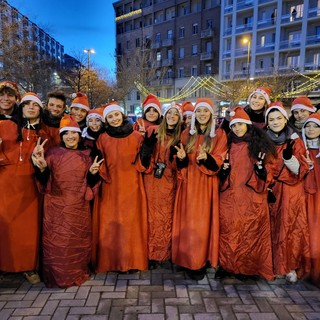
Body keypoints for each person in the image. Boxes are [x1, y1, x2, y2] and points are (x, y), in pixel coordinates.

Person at [31, 114, 102, 288]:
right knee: (57, 242)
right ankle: (57, 275)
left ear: (79, 134)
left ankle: (77, 271)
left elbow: (91, 184)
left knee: (77, 241)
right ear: (62, 136)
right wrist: (41, 168)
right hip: (56, 207)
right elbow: (44, 181)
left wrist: (93, 174)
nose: (71, 137)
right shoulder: (53, 153)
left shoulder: (87, 154)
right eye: (67, 133)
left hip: (79, 207)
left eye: (74, 133)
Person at [216, 107, 276, 281]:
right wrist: (223, 174)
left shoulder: (260, 145)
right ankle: (228, 265)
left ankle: (248, 268)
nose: (237, 129)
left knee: (250, 233)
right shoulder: (226, 143)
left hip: (252, 196)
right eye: (234, 125)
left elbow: (271, 169)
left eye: (240, 124)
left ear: (248, 125)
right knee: (228, 231)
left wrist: (262, 172)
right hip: (230, 195)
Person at [172, 98, 227, 280]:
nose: (202, 114)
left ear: (211, 113)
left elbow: (219, 160)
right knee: (187, 223)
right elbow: (181, 161)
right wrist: (181, 158)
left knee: (202, 225)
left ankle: (199, 261)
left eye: (205, 111)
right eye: (198, 111)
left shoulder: (219, 134)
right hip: (188, 184)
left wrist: (206, 159)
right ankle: (185, 258)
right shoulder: (187, 133)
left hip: (205, 184)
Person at [92, 102, 148, 273]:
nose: (114, 119)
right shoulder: (102, 138)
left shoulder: (137, 136)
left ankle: (131, 261)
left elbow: (143, 164)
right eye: (110, 117)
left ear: (122, 115)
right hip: (111, 187)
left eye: (116, 115)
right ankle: (114, 261)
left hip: (132, 186)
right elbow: (100, 163)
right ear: (106, 120)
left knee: (131, 224)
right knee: (112, 225)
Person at [0, 92, 47, 284]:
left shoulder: (42, 134)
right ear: (21, 107)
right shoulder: (4, 126)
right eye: (27, 104)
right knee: (5, 228)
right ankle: (4, 267)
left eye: (35, 105)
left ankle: (28, 267)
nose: (30, 108)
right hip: (5, 184)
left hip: (29, 186)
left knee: (28, 228)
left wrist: (41, 165)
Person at [265, 101, 310, 283]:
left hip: (291, 190)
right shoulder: (263, 140)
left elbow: (301, 168)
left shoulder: (295, 139)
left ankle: (290, 265)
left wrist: (290, 160)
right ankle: (274, 264)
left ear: (285, 119)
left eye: (279, 118)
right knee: (271, 228)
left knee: (290, 228)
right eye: (271, 119)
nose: (275, 122)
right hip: (271, 188)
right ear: (267, 122)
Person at [140, 102, 183, 270]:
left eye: (175, 114)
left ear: (179, 118)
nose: (172, 116)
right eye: (169, 113)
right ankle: (151, 253)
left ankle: (166, 252)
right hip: (152, 180)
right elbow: (143, 159)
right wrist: (147, 146)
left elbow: (182, 164)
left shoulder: (182, 136)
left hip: (170, 181)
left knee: (168, 218)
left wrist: (177, 158)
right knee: (151, 218)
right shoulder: (153, 131)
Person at [301, 114, 320, 288]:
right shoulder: (302, 150)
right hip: (305, 198)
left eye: (315, 126)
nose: (311, 129)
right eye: (308, 126)